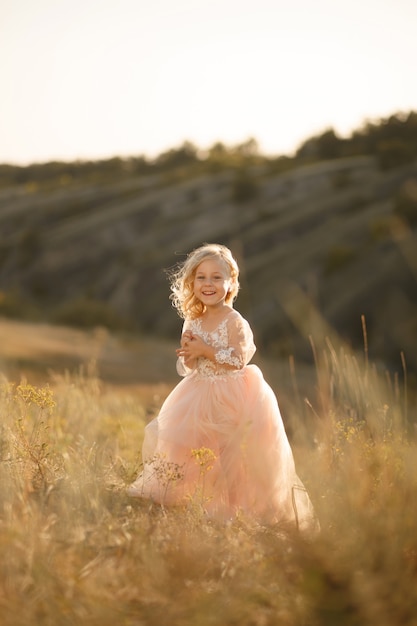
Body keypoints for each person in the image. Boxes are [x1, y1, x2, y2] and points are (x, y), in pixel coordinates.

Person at [127, 243, 317, 532]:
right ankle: (201, 503)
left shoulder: (235, 321)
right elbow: (189, 366)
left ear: (231, 283)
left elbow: (238, 359)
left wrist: (205, 350)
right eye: (202, 277)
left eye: (217, 277)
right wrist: (190, 356)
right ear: (192, 283)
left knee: (233, 458)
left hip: (233, 395)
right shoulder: (193, 319)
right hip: (199, 393)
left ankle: (236, 510)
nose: (209, 284)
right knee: (197, 452)